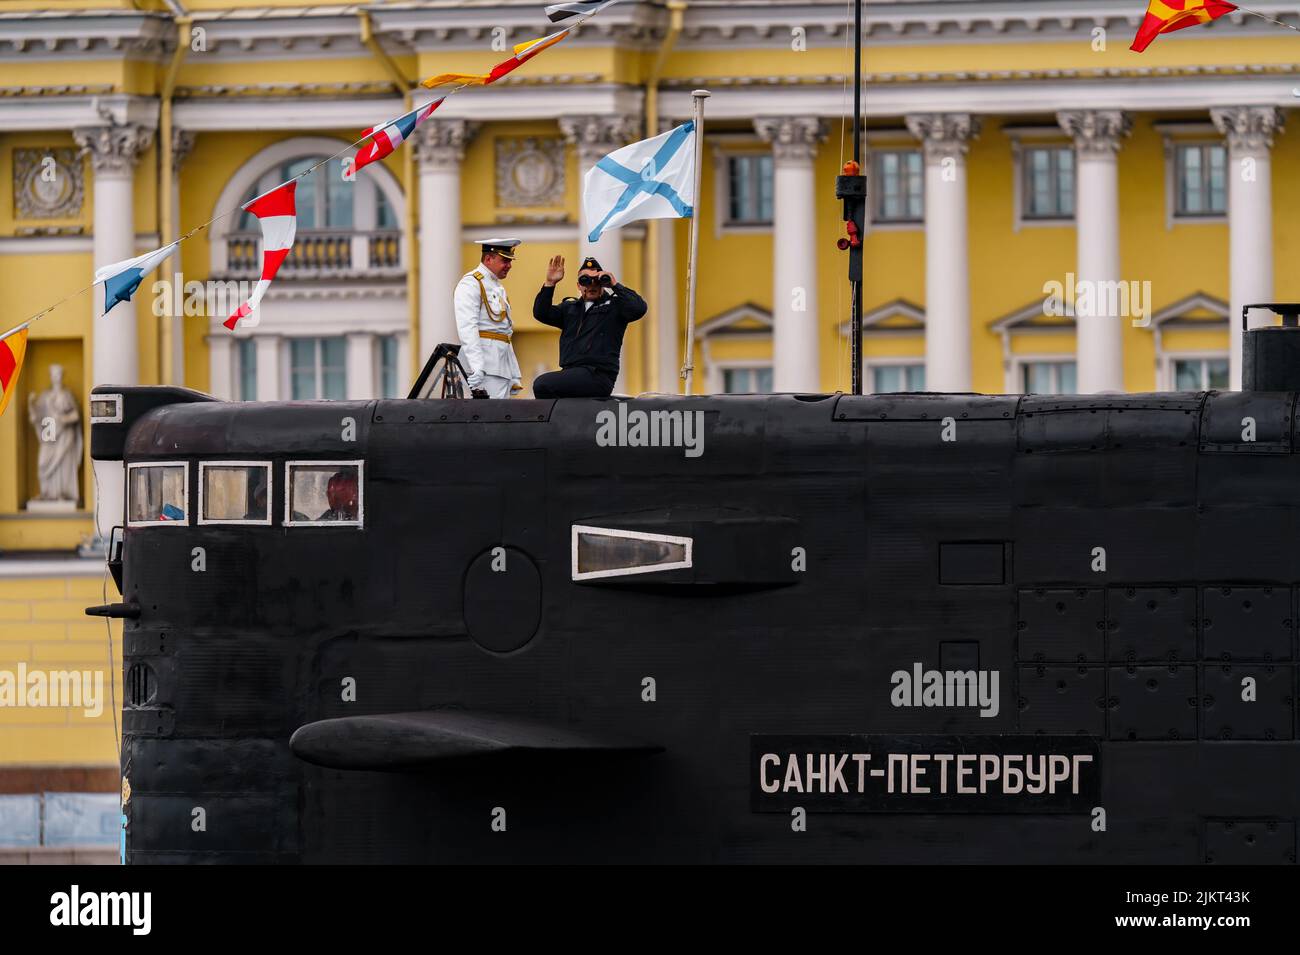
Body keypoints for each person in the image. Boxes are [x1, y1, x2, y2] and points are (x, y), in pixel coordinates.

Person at [532, 255, 647, 398]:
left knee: (542, 384)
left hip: (598, 375)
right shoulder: (570, 309)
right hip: (571, 374)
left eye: (597, 281)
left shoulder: (615, 307)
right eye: (585, 280)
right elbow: (541, 313)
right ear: (579, 286)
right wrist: (550, 283)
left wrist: (614, 285)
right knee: (544, 388)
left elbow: (639, 308)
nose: (592, 285)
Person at [453, 238, 524, 399]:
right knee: (487, 418)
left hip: (500, 366)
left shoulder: (497, 287)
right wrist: (477, 366)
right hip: (484, 367)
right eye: (505, 260)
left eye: (510, 261)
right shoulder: (471, 284)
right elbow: (467, 327)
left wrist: (513, 372)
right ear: (488, 259)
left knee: (499, 418)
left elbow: (505, 332)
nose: (509, 266)